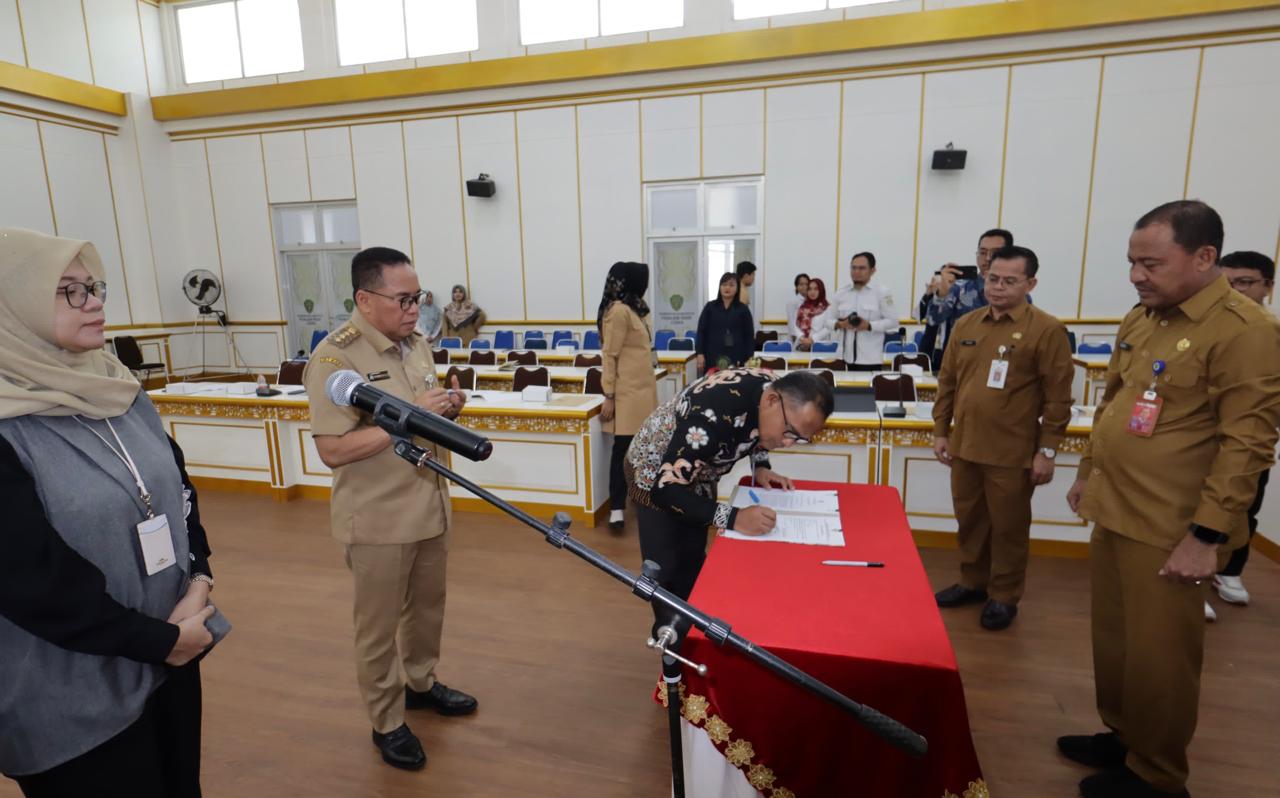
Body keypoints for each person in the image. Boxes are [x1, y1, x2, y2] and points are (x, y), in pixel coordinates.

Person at [1058, 201, 1280, 798]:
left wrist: (1206, 537)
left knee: (1161, 659)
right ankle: (1125, 738)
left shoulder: (1246, 332)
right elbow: (1112, 406)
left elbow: (1248, 444)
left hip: (1172, 526)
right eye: (1132, 261)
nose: (1136, 275)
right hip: (1116, 507)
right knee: (1116, 643)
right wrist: (1086, 472)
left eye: (1150, 262)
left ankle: (1158, 775)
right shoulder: (1145, 318)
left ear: (1204, 257)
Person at [0, 228, 228, 796]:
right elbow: (29, 580)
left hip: (170, 657)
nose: (95, 301)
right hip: (69, 694)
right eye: (68, 291)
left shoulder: (117, 390)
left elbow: (179, 492)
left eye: (94, 286)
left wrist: (198, 577)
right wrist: (159, 640)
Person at [304, 247, 477, 772]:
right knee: (377, 628)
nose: (414, 309)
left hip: (428, 504)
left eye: (417, 297)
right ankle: (386, 720)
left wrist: (447, 407)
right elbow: (332, 450)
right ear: (365, 298)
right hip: (378, 518)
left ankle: (421, 683)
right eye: (403, 299)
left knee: (427, 609)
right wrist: (407, 420)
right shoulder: (337, 359)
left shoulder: (416, 345)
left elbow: (423, 409)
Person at [624, 368, 833, 637]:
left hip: (695, 470)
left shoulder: (774, 390)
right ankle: (671, 645)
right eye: (790, 432)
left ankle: (694, 631)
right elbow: (666, 491)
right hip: (653, 473)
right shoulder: (711, 417)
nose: (788, 443)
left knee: (693, 561)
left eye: (801, 439)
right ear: (771, 401)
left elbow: (756, 428)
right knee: (667, 571)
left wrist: (761, 465)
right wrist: (735, 518)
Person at [931, 245, 1074, 631]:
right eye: (993, 279)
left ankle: (1004, 596)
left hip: (1013, 453)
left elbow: (1059, 399)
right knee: (971, 521)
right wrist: (941, 430)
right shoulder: (967, 325)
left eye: (1010, 281)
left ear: (1031, 283)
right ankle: (972, 583)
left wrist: (1047, 452)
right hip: (965, 447)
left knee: (1008, 529)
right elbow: (948, 383)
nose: (998, 287)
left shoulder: (1046, 330)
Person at [1208, 250, 1276, 613]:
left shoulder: (1268, 333)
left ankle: (1231, 571)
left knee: (1244, 507)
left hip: (1250, 439)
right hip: (1203, 440)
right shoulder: (1206, 329)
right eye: (1227, 282)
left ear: (1268, 286)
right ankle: (1194, 581)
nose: (1233, 290)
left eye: (1245, 282)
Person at [597, 262, 659, 533]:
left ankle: (641, 497)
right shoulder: (619, 311)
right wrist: (609, 394)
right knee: (622, 451)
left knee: (644, 448)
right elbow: (609, 356)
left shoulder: (638, 309)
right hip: (626, 394)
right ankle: (616, 510)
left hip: (645, 390)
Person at [920, 229, 1014, 367]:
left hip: (1002, 364)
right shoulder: (959, 288)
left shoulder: (1017, 292)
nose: (988, 258)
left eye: (995, 253)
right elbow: (933, 320)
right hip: (962, 366)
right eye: (982, 252)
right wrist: (942, 293)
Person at [818, 252, 898, 371]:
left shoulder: (881, 292)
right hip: (843, 358)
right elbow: (826, 321)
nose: (856, 272)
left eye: (862, 268)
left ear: (872, 270)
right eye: (853, 268)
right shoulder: (842, 292)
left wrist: (869, 326)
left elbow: (893, 322)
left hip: (870, 360)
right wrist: (840, 324)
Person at [695, 273, 754, 375]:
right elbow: (701, 331)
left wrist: (749, 357)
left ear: (737, 288)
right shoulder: (710, 307)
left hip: (737, 355)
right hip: (712, 355)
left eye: (731, 285)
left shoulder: (743, 309)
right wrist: (700, 354)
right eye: (724, 284)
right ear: (720, 287)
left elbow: (749, 335)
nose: (727, 288)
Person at [793, 277, 830, 351]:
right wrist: (802, 338)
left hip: (819, 347)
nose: (812, 292)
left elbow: (828, 328)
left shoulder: (827, 308)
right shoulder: (802, 307)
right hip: (801, 345)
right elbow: (794, 325)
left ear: (821, 290)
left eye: (816, 289)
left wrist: (812, 339)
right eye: (810, 289)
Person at [785, 273, 810, 342]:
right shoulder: (792, 302)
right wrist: (799, 338)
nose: (804, 287)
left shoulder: (812, 302)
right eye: (801, 284)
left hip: (809, 339)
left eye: (806, 284)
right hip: (796, 339)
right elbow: (791, 323)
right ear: (797, 287)